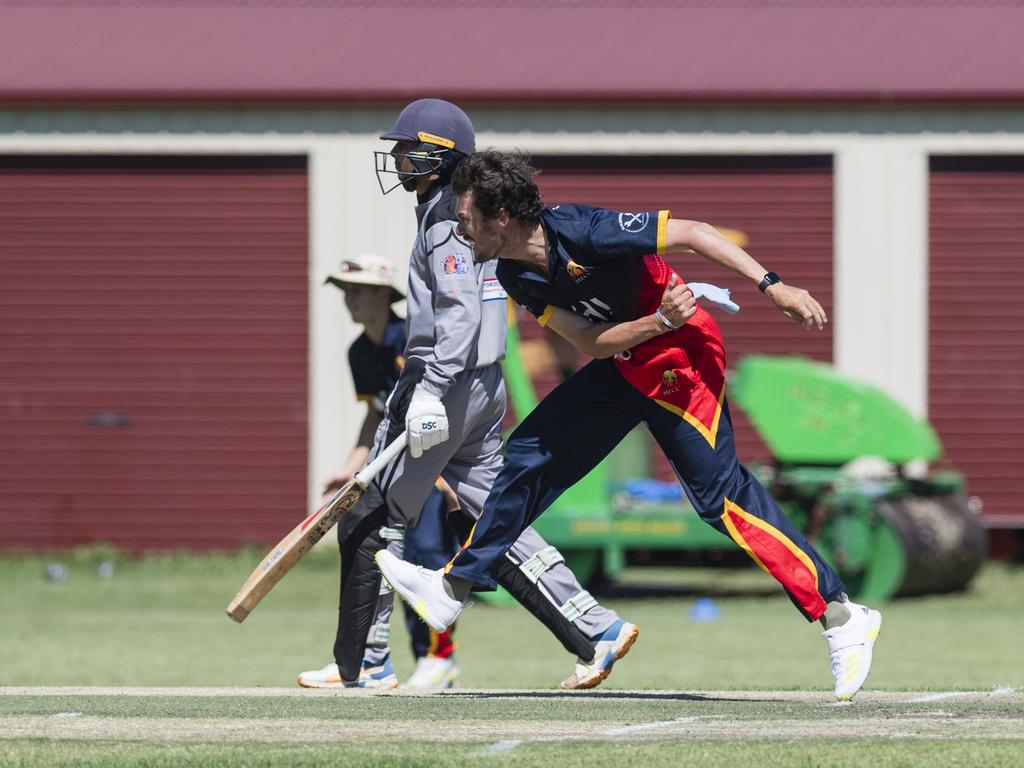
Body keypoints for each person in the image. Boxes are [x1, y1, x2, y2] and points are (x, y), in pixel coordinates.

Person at [377, 150, 884, 702]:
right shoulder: (512, 273)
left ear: (501, 216)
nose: (457, 224)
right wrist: (654, 321)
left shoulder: (581, 229)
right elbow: (591, 343)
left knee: (720, 500)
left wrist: (773, 287)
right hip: (632, 354)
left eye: (466, 213)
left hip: (681, 356)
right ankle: (453, 589)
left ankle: (841, 615)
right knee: (528, 454)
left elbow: (694, 232)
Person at [321, 99, 640, 691]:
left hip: (442, 380)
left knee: (370, 520)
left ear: (436, 156)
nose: (395, 158)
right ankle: (594, 629)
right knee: (499, 522)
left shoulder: (444, 214)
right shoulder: (476, 212)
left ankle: (364, 663)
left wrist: (430, 391)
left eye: (405, 148)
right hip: (485, 387)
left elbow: (460, 312)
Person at [297, 253, 461, 689]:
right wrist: (352, 470)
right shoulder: (359, 352)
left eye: (359, 289)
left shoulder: (411, 338)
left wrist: (444, 474)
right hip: (391, 470)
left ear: (384, 294)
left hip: (434, 465)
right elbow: (376, 416)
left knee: (426, 557)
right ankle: (372, 660)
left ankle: (437, 657)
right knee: (380, 559)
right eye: (346, 290)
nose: (350, 298)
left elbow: (445, 405)